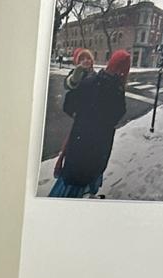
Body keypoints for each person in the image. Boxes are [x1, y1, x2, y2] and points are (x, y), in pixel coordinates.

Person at [49, 47, 131, 198]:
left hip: (80, 142)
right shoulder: (118, 91)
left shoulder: (91, 81)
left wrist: (81, 116)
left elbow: (68, 105)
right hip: (99, 147)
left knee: (71, 183)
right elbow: (116, 116)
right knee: (88, 176)